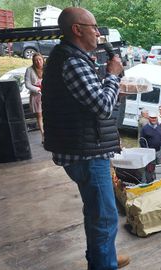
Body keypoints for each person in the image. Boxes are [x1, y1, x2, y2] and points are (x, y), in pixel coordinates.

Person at [42, 7, 129, 269]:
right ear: (77, 30)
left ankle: (104, 258)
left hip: (83, 148)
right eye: (93, 27)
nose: (98, 32)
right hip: (87, 155)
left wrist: (111, 87)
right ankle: (104, 265)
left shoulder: (69, 58)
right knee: (104, 216)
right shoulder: (73, 62)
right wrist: (113, 75)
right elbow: (102, 106)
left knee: (96, 212)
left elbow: (88, 104)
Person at [25, 53, 45, 143]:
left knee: (49, 114)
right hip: (36, 95)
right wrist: (38, 89)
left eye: (40, 59)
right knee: (39, 115)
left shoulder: (47, 68)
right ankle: (43, 135)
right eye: (36, 60)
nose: (38, 61)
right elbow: (27, 84)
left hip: (47, 93)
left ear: (42, 59)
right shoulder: (29, 70)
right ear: (33, 61)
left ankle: (51, 133)